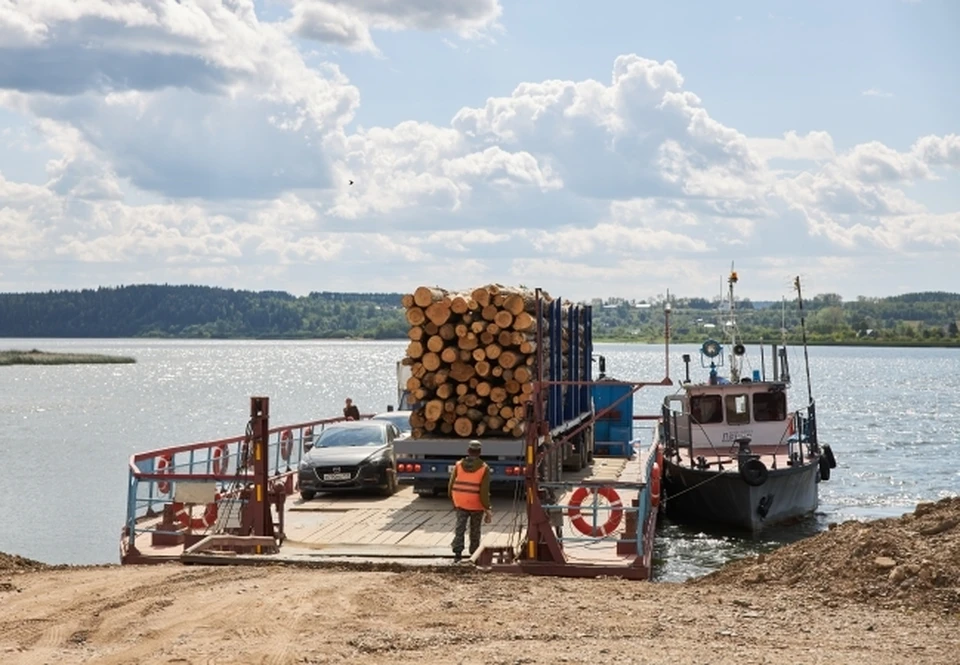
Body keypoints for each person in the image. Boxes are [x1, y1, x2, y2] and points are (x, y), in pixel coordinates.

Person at [448, 440, 492, 563]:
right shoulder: (484, 468)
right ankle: (474, 554)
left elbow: (450, 485)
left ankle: (457, 553)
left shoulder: (458, 465)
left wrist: (454, 500)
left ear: (468, 451)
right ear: (480, 452)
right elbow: (484, 491)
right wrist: (487, 508)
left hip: (461, 502)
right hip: (476, 504)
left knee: (460, 527)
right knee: (475, 529)